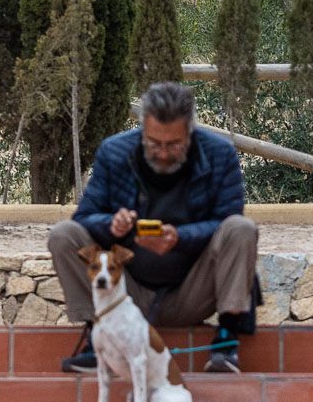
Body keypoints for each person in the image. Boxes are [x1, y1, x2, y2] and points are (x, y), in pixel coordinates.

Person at [48, 80, 259, 374]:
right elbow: (82, 220)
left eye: (173, 145)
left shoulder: (220, 154)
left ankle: (226, 340)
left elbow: (227, 220)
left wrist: (180, 238)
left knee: (242, 228)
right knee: (63, 236)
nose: (162, 153)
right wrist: (113, 225)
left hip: (193, 291)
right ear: (142, 130)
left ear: (190, 133)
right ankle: (98, 336)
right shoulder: (114, 152)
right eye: (154, 143)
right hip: (125, 290)